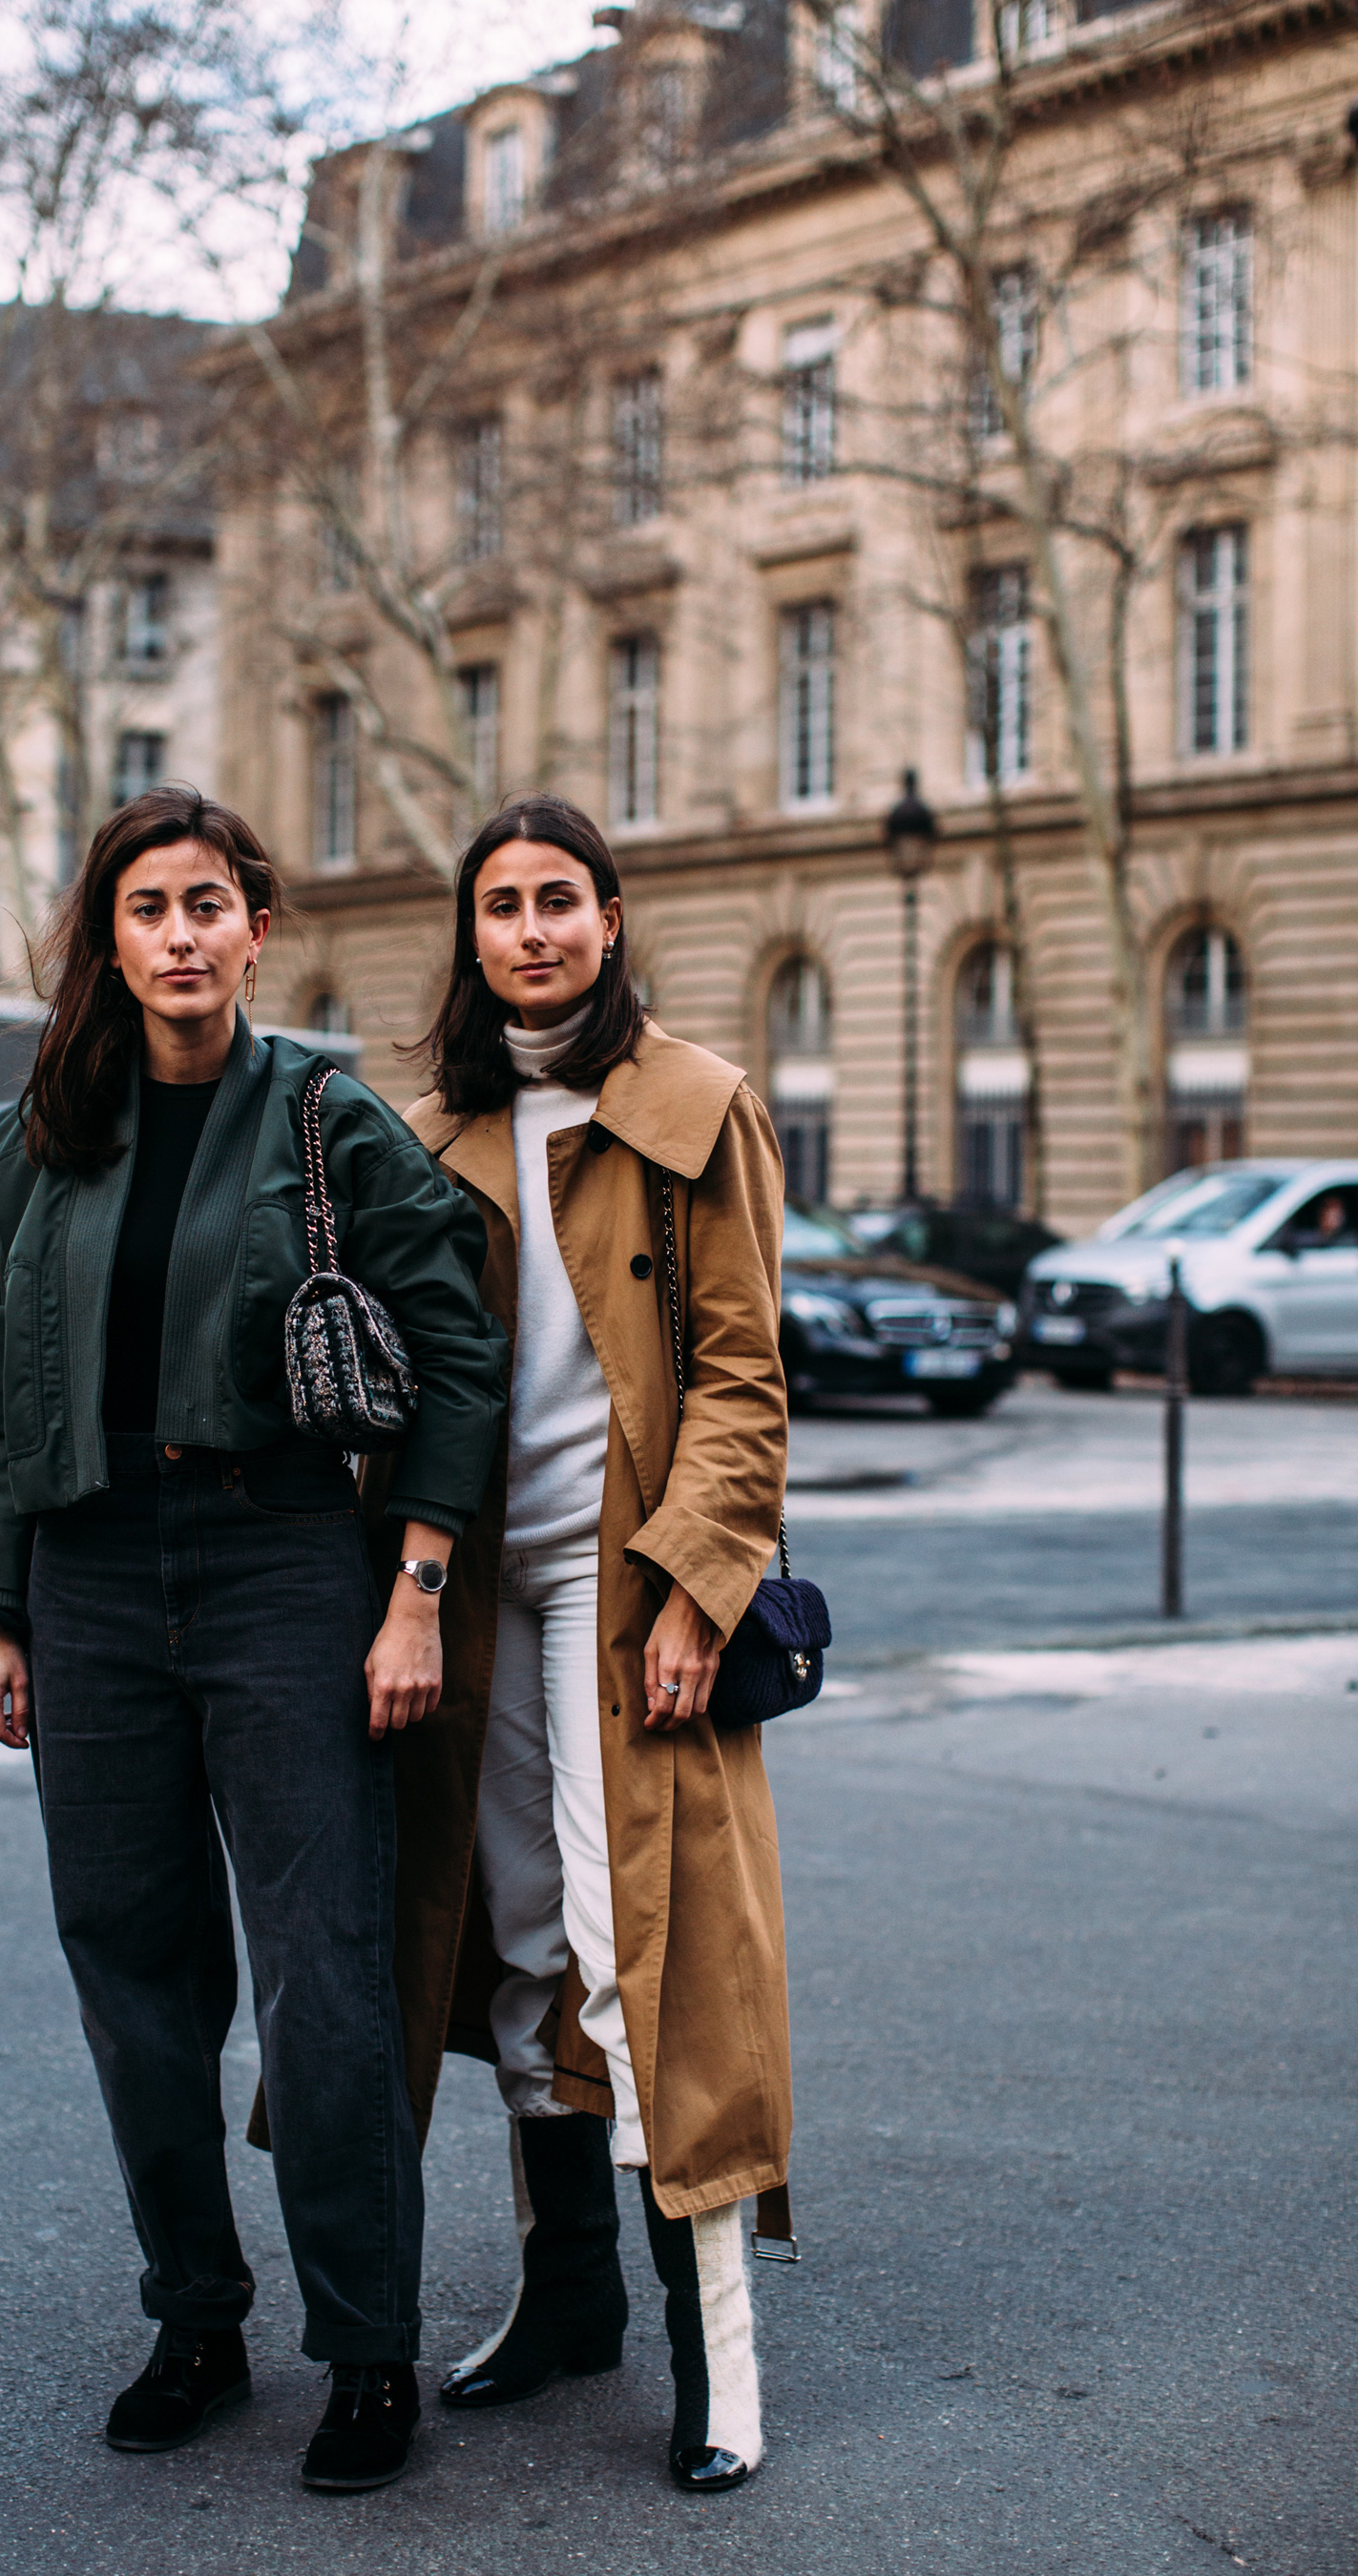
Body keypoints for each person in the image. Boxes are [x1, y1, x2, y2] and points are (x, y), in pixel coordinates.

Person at [0, 786, 508, 2494]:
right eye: (148, 909)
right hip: (90, 1580)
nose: (180, 936)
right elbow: (6, 1386)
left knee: (324, 1977)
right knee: (135, 1976)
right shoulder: (47, 1134)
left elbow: (458, 1348)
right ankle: (195, 2320)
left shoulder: (327, 1118)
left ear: (257, 929)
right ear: (110, 942)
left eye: (207, 905)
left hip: (281, 1564)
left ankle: (367, 2349)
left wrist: (415, 1587)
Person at [366, 794, 794, 2492]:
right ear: (471, 937)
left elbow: (746, 1378)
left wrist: (698, 1583)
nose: (532, 929)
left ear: (610, 920)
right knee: (521, 1939)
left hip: (628, 1587)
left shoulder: (695, 1105)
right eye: (502, 905)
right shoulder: (426, 1136)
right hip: (476, 1584)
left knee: (648, 1953)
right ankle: (568, 2301)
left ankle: (720, 2358)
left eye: (560, 899)